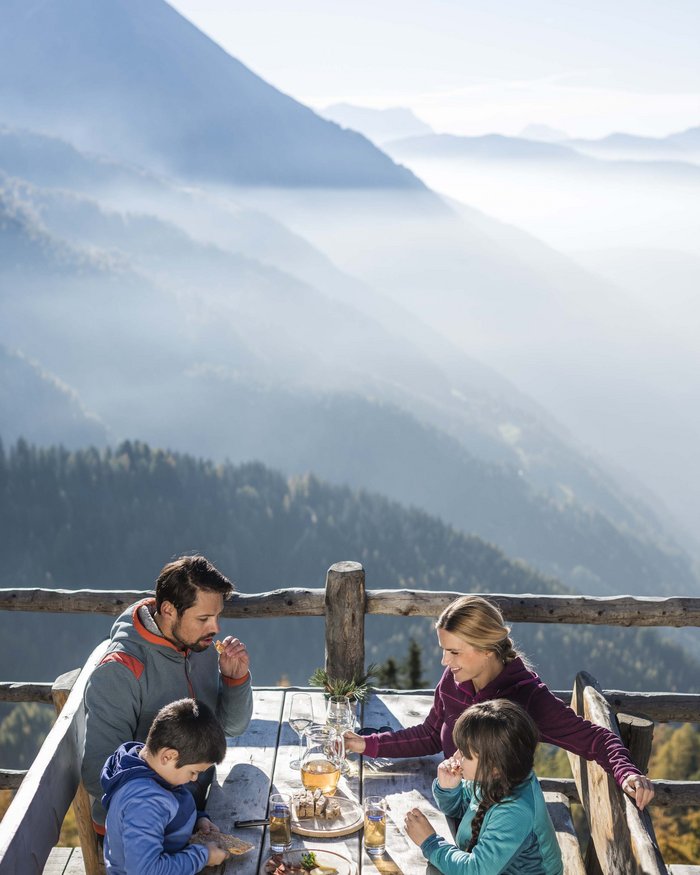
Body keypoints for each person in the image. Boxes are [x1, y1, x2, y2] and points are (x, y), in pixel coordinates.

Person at [345, 594, 654, 810]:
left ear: (487, 650)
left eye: (453, 652)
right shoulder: (454, 681)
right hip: (452, 801)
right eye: (443, 649)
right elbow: (429, 734)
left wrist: (627, 772)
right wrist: (366, 745)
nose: (443, 661)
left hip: (497, 829)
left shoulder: (527, 697)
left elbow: (595, 739)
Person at [83, 554, 253, 833]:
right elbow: (96, 773)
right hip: (143, 827)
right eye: (204, 618)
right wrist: (183, 810)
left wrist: (235, 680)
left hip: (199, 806)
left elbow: (232, 728)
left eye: (217, 616)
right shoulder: (121, 671)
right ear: (169, 610)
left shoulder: (200, 646)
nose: (215, 628)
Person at [405, 699, 563, 874]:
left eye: (464, 753)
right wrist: (449, 789)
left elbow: (475, 870)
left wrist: (430, 842)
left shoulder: (515, 811)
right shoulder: (500, 776)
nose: (456, 756)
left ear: (494, 765)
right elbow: (459, 810)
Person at [101, 698, 228, 874]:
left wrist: (198, 820)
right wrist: (204, 856)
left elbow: (169, 812)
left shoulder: (150, 768)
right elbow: (145, 871)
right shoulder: (144, 803)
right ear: (168, 756)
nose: (194, 778)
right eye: (193, 771)